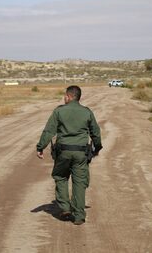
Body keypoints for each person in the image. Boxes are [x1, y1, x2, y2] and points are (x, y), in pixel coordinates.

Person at [36, 85, 102, 225]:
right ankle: (78, 216)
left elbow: (49, 131)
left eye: (65, 96)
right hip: (81, 153)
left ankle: (65, 207)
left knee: (60, 176)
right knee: (79, 182)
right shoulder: (87, 112)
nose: (64, 98)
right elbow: (95, 132)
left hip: (63, 152)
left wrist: (41, 147)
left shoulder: (59, 111)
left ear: (69, 96)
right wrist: (98, 147)